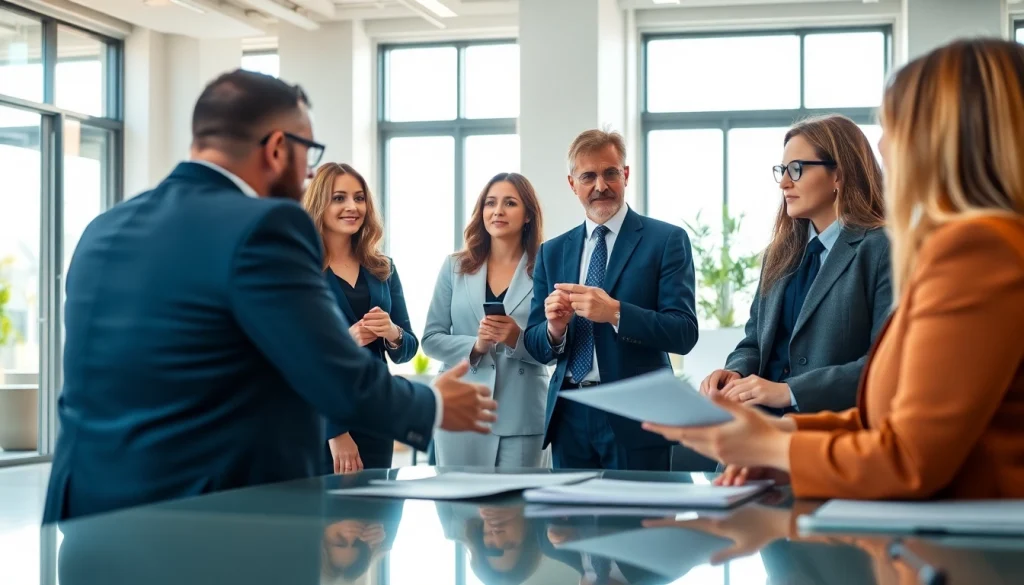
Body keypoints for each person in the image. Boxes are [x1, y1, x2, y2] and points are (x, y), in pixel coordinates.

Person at [43, 69, 496, 523]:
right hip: (212, 518)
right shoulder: (265, 226)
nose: (309, 172)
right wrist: (433, 404)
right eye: (309, 153)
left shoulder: (105, 227)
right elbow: (328, 370)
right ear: (278, 148)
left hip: (87, 508)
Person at [644, 38, 1024, 500]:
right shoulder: (978, 244)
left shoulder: (974, 250)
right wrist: (774, 435)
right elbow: (884, 418)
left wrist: (777, 438)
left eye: (895, 125)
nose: (881, 145)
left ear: (943, 138)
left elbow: (907, 454)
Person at [523, 129, 699, 472]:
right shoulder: (552, 252)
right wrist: (554, 329)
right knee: (570, 509)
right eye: (588, 176)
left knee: (636, 509)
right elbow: (536, 344)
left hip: (638, 416)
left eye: (610, 173)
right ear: (572, 184)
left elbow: (683, 333)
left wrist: (616, 312)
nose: (600, 186)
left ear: (626, 174)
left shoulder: (666, 240)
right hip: (569, 416)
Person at [699, 115, 891, 417]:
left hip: (827, 427)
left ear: (838, 175)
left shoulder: (881, 249)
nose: (784, 183)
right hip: (758, 423)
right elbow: (754, 342)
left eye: (797, 169)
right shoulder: (778, 254)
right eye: (782, 170)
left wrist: (790, 392)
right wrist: (735, 372)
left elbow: (883, 364)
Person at [423, 173, 549, 468]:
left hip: (523, 415)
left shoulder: (545, 269)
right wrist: (476, 346)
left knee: (519, 500)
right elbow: (430, 339)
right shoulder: (455, 266)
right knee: (458, 499)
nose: (498, 211)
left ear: (528, 215)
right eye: (490, 203)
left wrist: (517, 339)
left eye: (510, 203)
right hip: (461, 410)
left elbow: (556, 347)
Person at [302, 162, 418, 474]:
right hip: (322, 420)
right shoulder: (301, 269)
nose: (352, 207)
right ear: (320, 203)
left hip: (376, 415)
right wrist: (335, 432)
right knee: (327, 506)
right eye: (339, 198)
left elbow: (408, 348)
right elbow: (297, 358)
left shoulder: (383, 268)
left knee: (378, 505)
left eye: (359, 198)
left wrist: (392, 332)